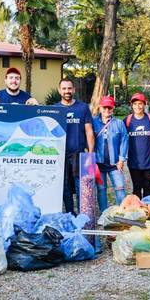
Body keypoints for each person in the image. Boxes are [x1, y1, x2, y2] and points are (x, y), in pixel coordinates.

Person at [54, 78, 95, 214]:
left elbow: (89, 131)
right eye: (64, 88)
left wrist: (91, 153)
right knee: (65, 187)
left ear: (74, 90)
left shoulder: (83, 108)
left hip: (79, 154)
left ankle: (83, 214)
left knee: (81, 186)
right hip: (60, 155)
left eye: (69, 88)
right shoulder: (54, 109)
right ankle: (70, 214)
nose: (67, 91)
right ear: (60, 90)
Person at [93, 96, 128, 211]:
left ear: (113, 108)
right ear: (100, 107)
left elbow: (124, 141)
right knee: (101, 189)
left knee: (120, 188)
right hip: (99, 163)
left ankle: (120, 213)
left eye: (109, 108)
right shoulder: (93, 122)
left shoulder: (119, 123)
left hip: (115, 164)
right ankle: (104, 213)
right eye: (104, 107)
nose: (107, 110)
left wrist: (122, 159)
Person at [124, 93, 150, 198]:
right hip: (134, 162)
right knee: (136, 188)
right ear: (132, 105)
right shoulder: (127, 121)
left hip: (149, 161)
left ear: (145, 104)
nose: (137, 106)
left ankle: (148, 210)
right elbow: (122, 140)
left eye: (140, 104)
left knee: (147, 187)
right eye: (135, 104)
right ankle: (138, 212)